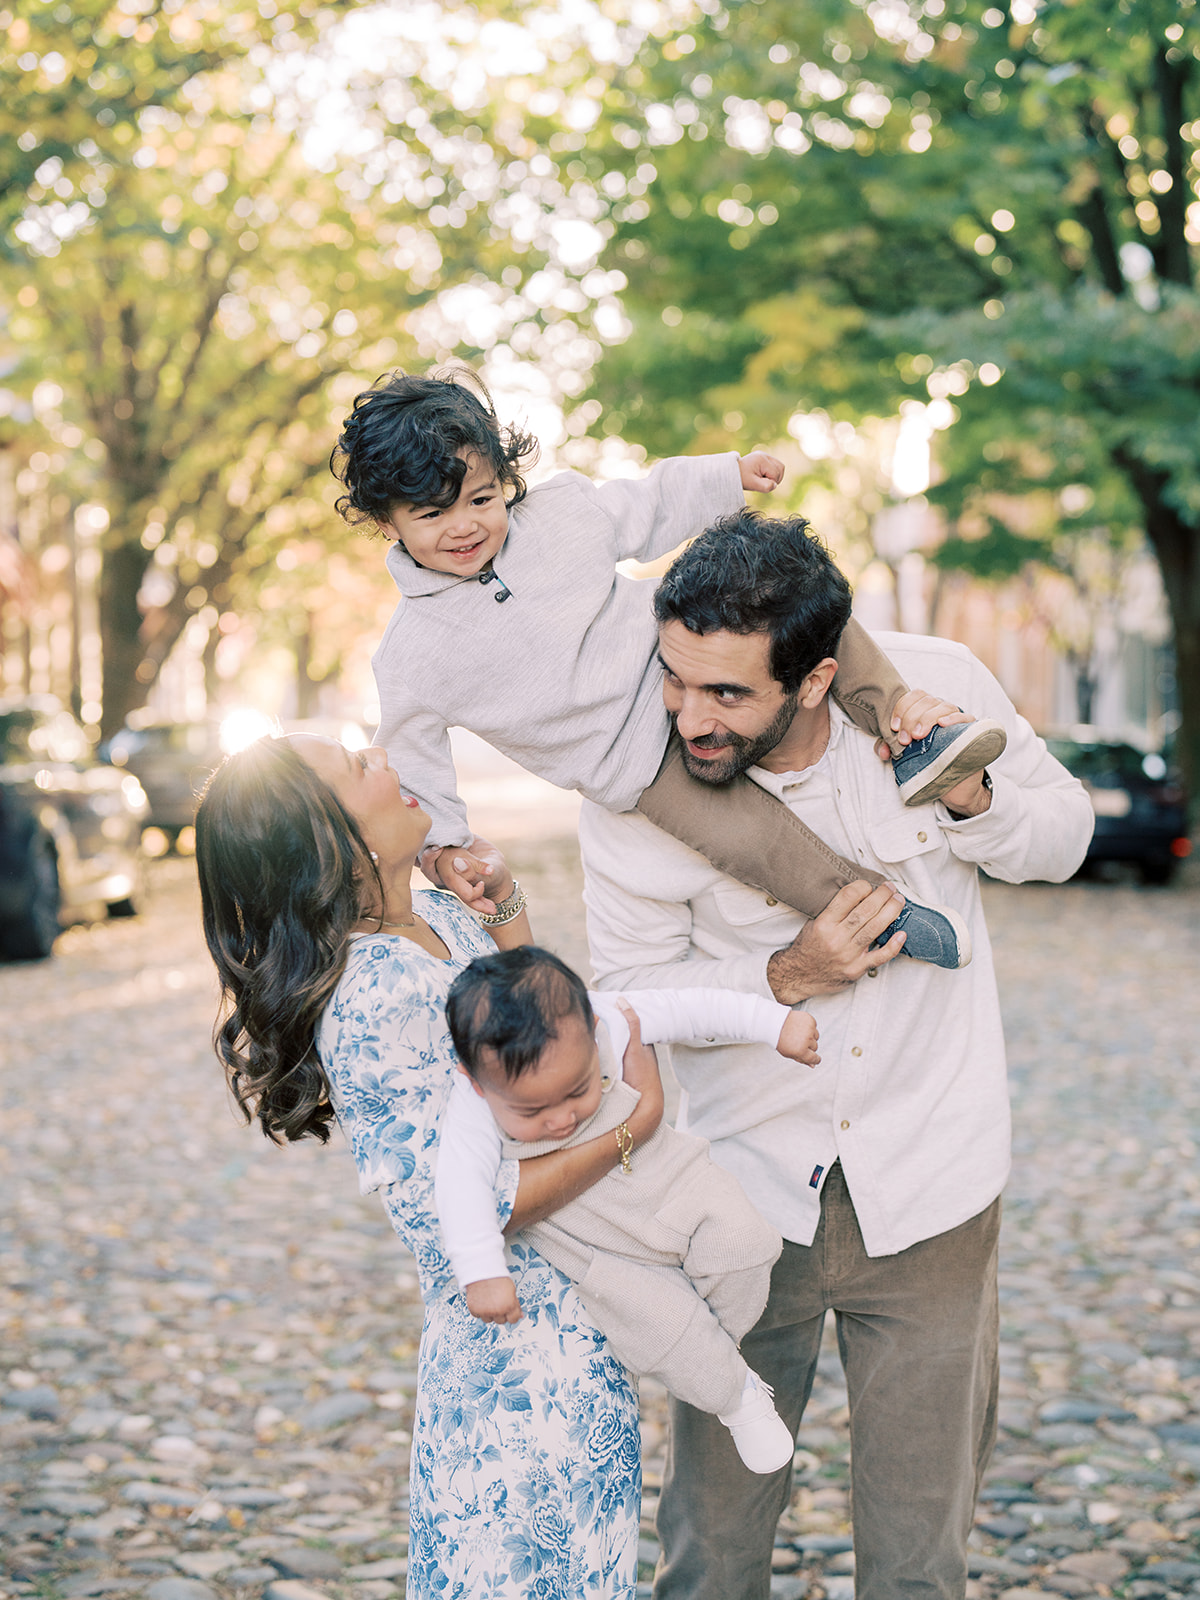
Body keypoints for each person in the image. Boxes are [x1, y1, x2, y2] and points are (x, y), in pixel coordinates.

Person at [575, 510, 1095, 1600]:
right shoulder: (632, 783)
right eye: (676, 677)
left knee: (919, 1556)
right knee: (712, 1550)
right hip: (742, 1198)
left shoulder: (935, 680)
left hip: (935, 1187)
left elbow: (1065, 834)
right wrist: (783, 979)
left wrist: (971, 794)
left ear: (815, 679)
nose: (688, 715)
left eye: (728, 693)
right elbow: (628, 999)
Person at [330, 367, 1007, 966]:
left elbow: (647, 504)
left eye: (482, 499)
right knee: (750, 841)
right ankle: (877, 913)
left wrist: (722, 477)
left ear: (504, 480)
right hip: (635, 764)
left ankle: (910, 730)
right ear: (386, 523)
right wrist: (443, 849)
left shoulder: (560, 514)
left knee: (792, 611)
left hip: (684, 663)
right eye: (431, 514)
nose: (465, 526)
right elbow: (414, 759)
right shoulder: (414, 654)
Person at [195, 734, 659, 1598]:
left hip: (579, 1339)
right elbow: (459, 1217)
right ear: (326, 838)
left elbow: (541, 1046)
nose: (384, 757)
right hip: (510, 1372)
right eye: (355, 765)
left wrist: (504, 907)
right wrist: (633, 1132)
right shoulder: (375, 993)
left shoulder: (435, 920)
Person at [437, 945, 819, 1473]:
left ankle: (715, 1361)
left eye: (576, 1091)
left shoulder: (611, 1017)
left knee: (746, 1244)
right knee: (666, 1326)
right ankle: (736, 1398)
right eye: (530, 1110)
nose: (560, 1120)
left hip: (672, 1182)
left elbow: (691, 1008)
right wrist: (481, 1272)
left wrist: (774, 1024)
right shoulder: (471, 1107)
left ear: (593, 1031)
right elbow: (459, 1184)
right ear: (476, 1082)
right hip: (599, 1244)